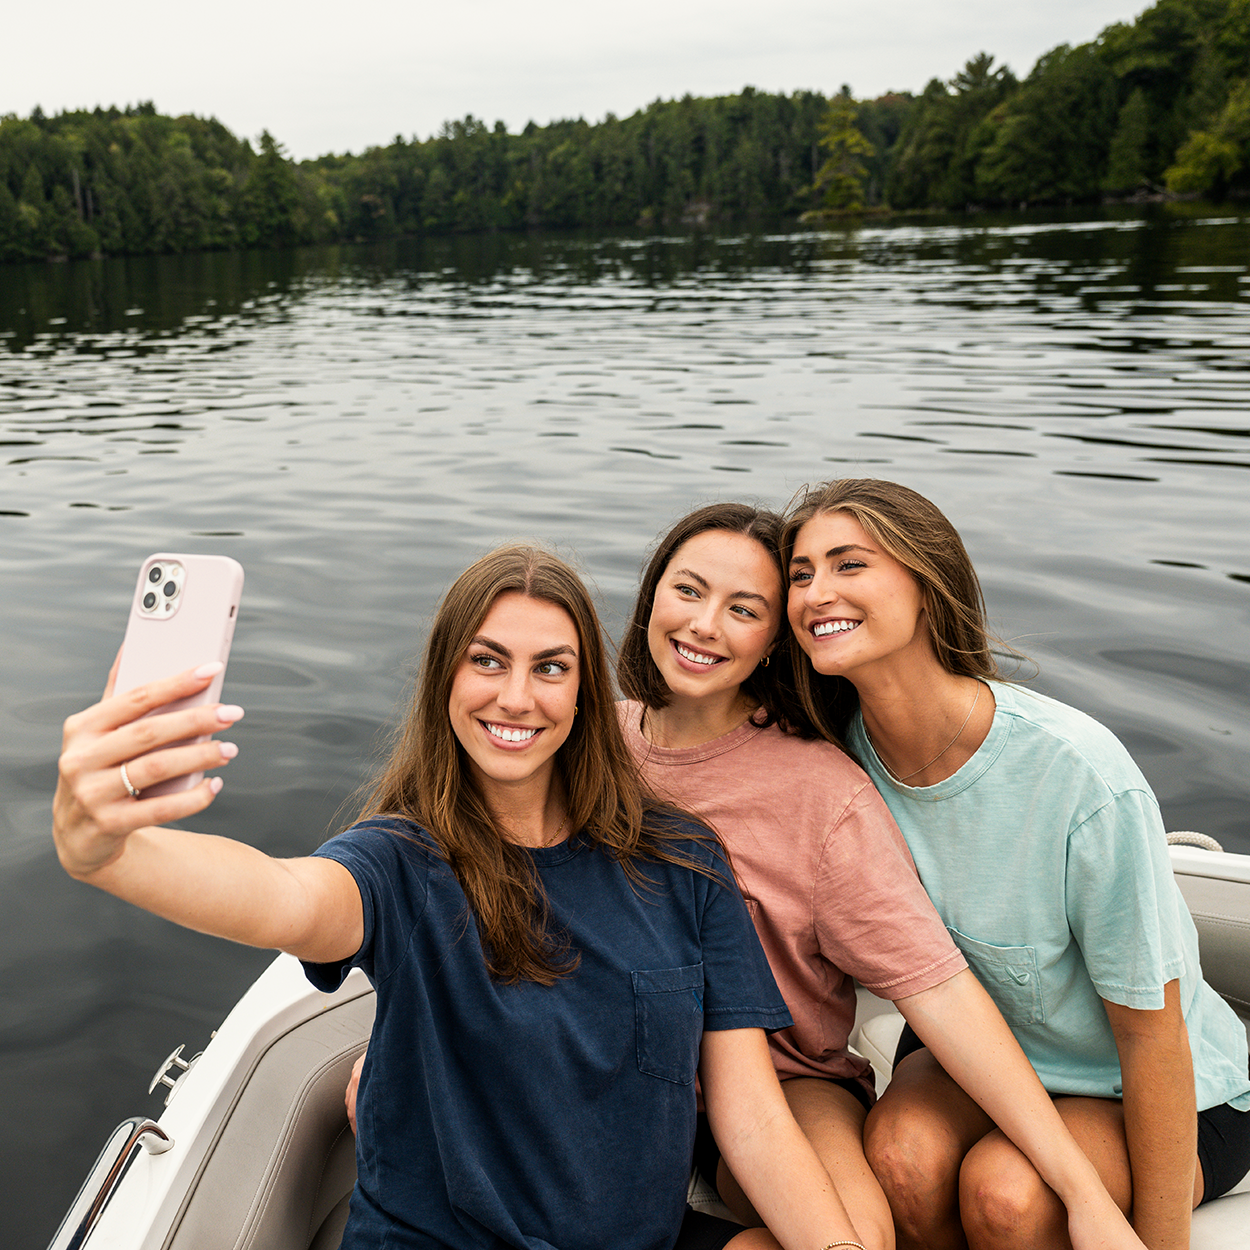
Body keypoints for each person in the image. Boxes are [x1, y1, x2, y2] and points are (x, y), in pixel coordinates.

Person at [53, 544, 868, 1250]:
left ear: (586, 693)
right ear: (446, 678)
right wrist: (109, 853)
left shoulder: (685, 860)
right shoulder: (401, 863)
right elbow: (282, 897)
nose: (516, 697)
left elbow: (753, 1119)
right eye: (487, 660)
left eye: (550, 667)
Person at [609, 502, 1145, 1250]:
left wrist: (1081, 1192)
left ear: (774, 639)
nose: (704, 625)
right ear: (651, 598)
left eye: (744, 609)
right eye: (688, 591)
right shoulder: (585, 746)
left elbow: (940, 992)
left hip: (784, 1081)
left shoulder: (824, 794)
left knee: (856, 1234)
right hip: (609, 1068)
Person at [782, 478, 1250, 1250]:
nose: (815, 593)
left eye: (848, 564)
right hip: (984, 1053)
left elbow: (1152, 1037)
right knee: (900, 1161)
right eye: (800, 574)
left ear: (927, 587)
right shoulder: (836, 765)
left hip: (1170, 1085)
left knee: (1006, 1196)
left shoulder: (1075, 773)